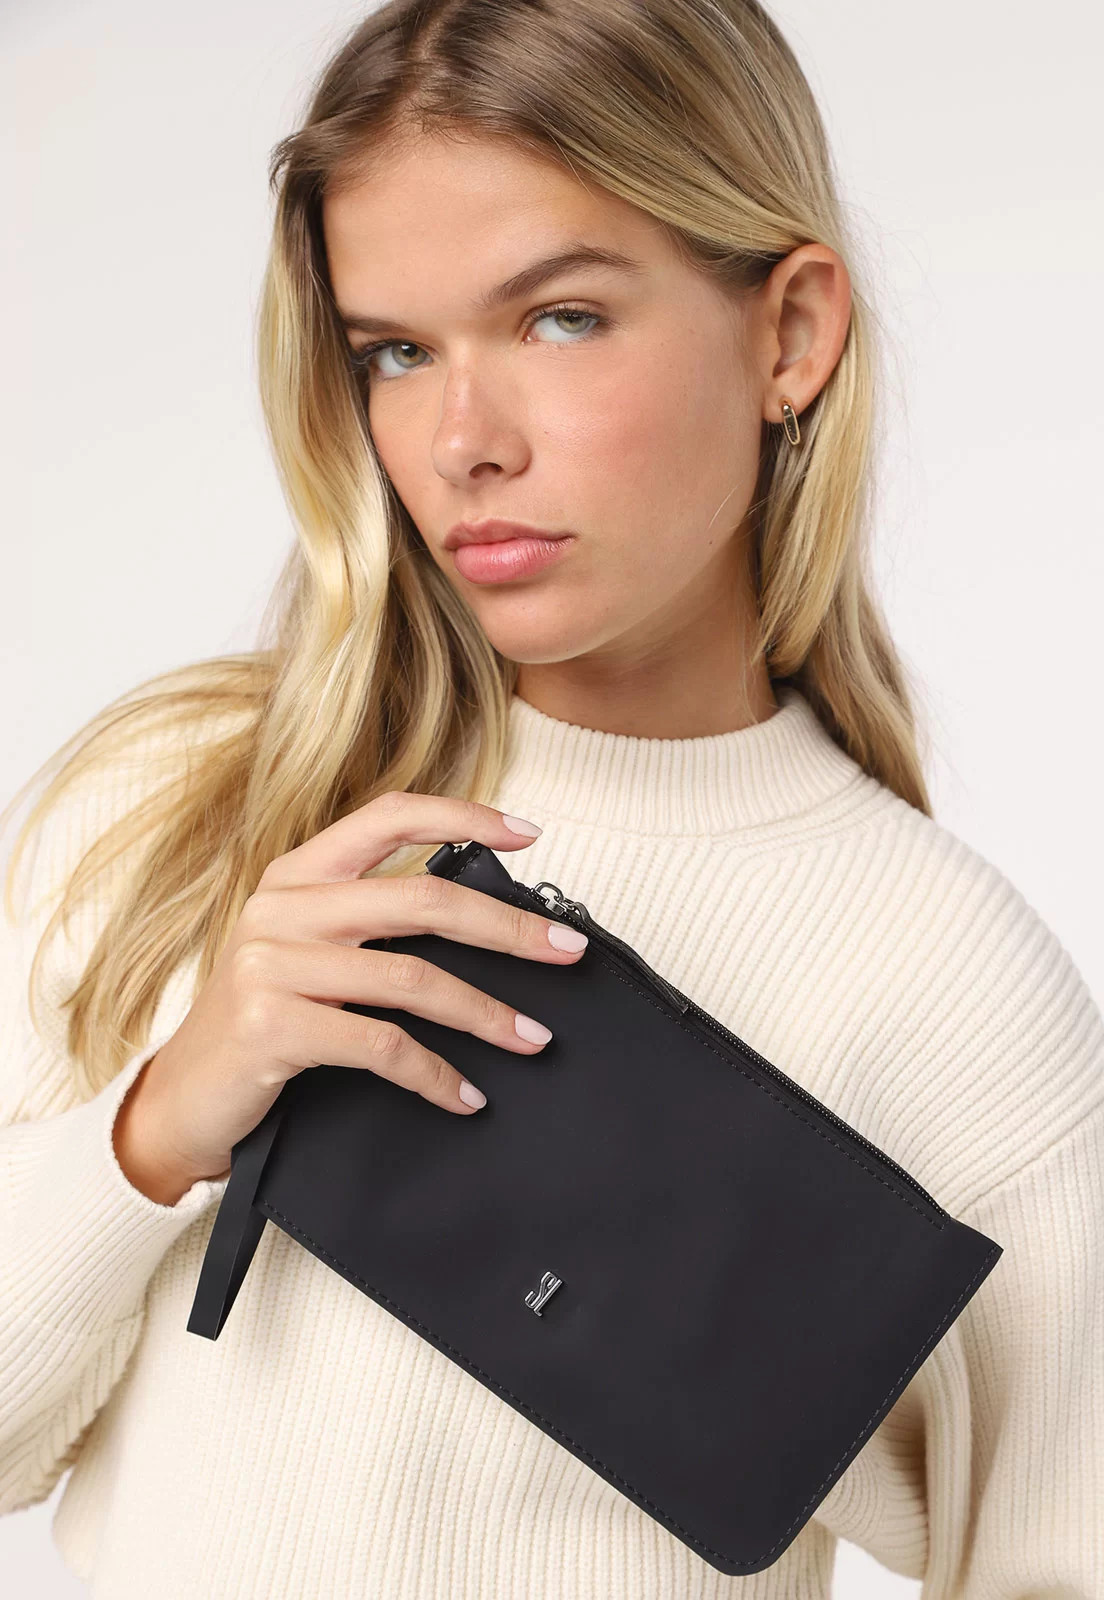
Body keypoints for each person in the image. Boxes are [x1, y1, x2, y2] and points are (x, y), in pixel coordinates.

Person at [1, 0, 1101, 1595]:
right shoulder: (177, 814)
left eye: (561, 319)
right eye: (396, 351)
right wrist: (162, 1120)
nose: (462, 442)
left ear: (790, 335)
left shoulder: (951, 989)